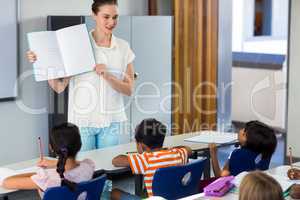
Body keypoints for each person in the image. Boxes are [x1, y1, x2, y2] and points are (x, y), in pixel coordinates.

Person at [27, 0, 135, 151]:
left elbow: (129, 89)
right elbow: (59, 87)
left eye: (115, 17)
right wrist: (42, 62)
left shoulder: (123, 47)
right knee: (85, 172)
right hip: (83, 122)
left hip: (112, 121)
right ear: (94, 15)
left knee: (108, 169)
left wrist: (107, 75)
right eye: (106, 17)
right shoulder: (78, 45)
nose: (111, 22)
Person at [2, 123, 95, 199]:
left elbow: (6, 182)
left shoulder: (46, 179)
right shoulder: (89, 166)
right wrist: (55, 163)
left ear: (51, 148)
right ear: (80, 145)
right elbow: (78, 163)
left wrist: (36, 173)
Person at [111, 118, 192, 200]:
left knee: (114, 192)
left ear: (141, 145)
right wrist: (170, 150)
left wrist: (139, 150)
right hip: (178, 197)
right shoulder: (179, 153)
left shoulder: (145, 160)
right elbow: (188, 149)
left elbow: (115, 161)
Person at [210, 120, 277, 177]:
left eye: (244, 129)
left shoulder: (237, 154)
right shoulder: (266, 152)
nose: (241, 130)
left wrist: (213, 154)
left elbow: (220, 176)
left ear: (245, 138)